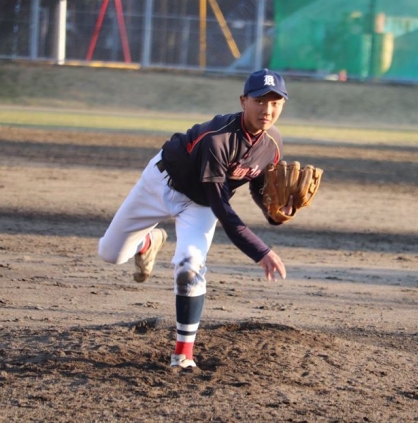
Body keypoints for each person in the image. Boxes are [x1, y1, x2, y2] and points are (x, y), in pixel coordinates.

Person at [98, 68, 292, 369]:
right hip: (161, 184)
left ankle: (183, 354)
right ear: (243, 101)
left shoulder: (273, 143)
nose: (267, 110)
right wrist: (260, 251)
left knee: (189, 266)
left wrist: (276, 214)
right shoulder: (218, 138)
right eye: (260, 101)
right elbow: (221, 208)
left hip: (199, 205)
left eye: (275, 102)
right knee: (110, 254)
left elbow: (259, 187)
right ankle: (147, 242)